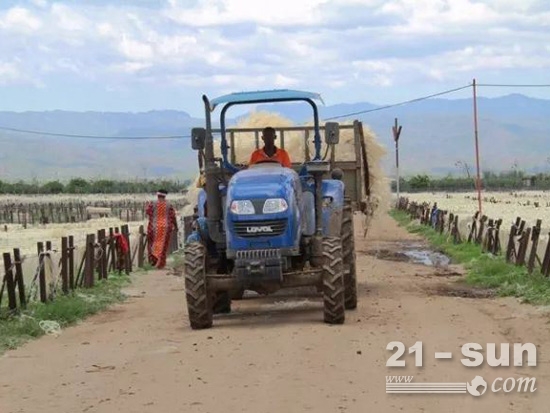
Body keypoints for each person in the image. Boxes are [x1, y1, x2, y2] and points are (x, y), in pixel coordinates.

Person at [146, 189, 178, 269]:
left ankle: (153, 262)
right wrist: (176, 226)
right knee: (163, 246)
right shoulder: (169, 205)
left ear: (157, 195)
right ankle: (161, 264)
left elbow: (148, 212)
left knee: (152, 244)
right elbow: (173, 217)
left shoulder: (152, 204)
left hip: (153, 227)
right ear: (165, 196)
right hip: (166, 228)